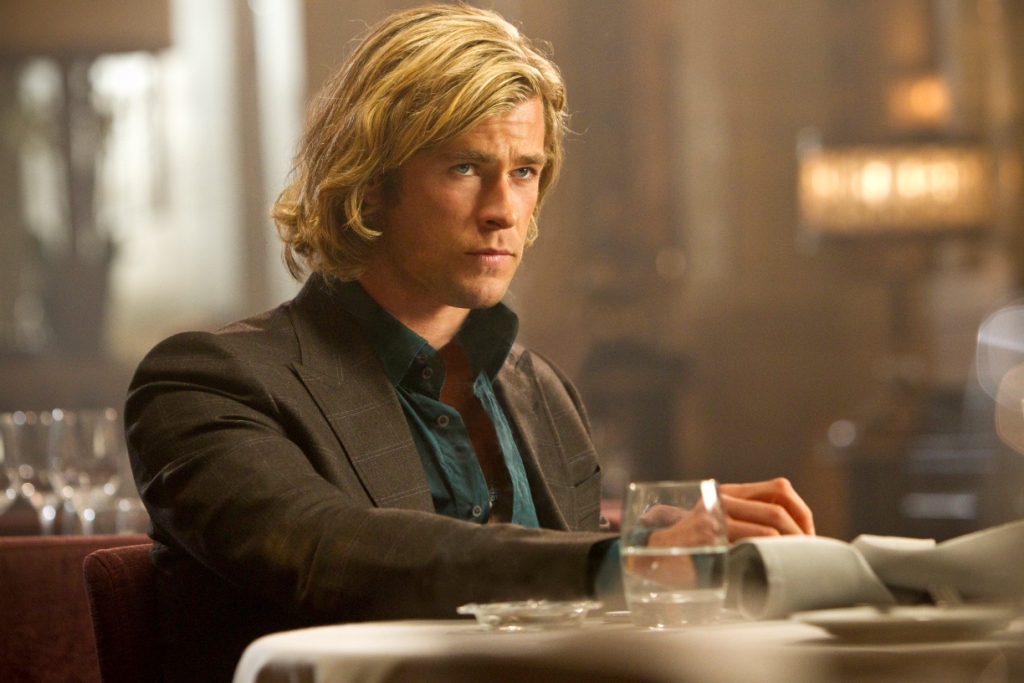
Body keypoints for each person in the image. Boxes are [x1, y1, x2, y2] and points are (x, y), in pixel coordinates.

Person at [124, 5, 814, 682]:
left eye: (524, 172)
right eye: (464, 168)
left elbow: (566, 611)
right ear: (369, 184)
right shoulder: (204, 381)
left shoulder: (542, 391)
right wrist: (623, 559)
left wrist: (659, 544)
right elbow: (332, 554)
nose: (503, 210)